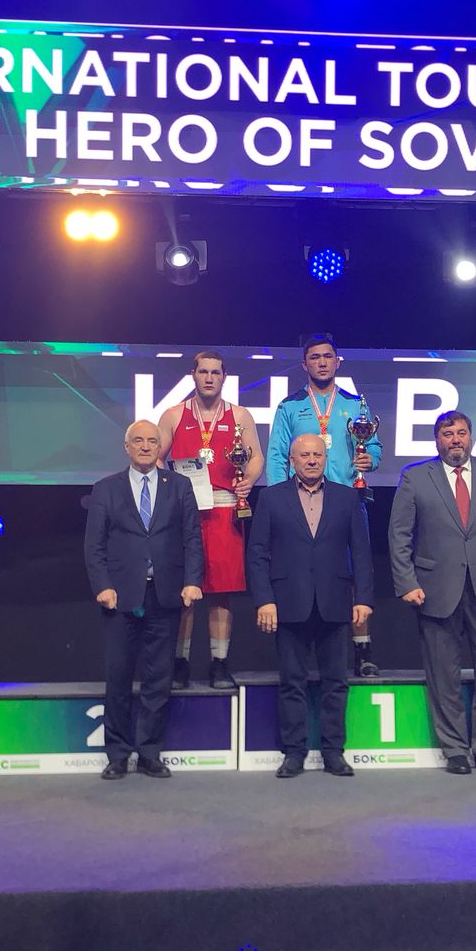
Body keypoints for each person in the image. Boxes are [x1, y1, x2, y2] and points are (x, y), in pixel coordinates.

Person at [388, 410, 476, 775]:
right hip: (434, 592)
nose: (455, 440)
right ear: (437, 440)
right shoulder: (415, 476)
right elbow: (399, 535)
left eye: (461, 433)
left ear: (471, 437)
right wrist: (407, 582)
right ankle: (455, 750)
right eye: (448, 434)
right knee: (443, 675)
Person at [247, 433, 374, 778]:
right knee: (292, 682)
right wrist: (264, 600)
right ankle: (294, 753)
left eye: (317, 454)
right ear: (292, 461)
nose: (312, 460)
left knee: (336, 682)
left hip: (335, 602)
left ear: (325, 458)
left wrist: (363, 598)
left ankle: (334, 752)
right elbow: (257, 554)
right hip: (288, 603)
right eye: (304, 455)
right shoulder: (271, 498)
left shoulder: (347, 497)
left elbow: (361, 552)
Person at [84, 420, 204, 780]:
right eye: (138, 440)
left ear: (160, 447)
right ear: (127, 447)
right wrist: (102, 585)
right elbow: (94, 545)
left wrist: (192, 581)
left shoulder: (179, 486)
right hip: (120, 597)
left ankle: (150, 753)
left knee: (158, 679)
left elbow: (192, 538)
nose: (146, 446)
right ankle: (118, 755)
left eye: (152, 441)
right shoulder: (106, 489)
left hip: (165, 595)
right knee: (119, 678)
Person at [265, 333, 383, 676]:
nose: (321, 362)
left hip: (347, 501)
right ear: (304, 364)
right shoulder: (289, 406)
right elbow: (277, 455)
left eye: (327, 356)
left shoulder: (355, 404)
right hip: (301, 504)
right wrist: (278, 501)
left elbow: (374, 447)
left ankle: (362, 649)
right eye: (314, 357)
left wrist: (370, 460)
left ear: (337, 362)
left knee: (355, 571)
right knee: (302, 572)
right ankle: (300, 647)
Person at [158, 350, 263, 691]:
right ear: (193, 374)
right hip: (185, 514)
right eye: (203, 371)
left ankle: (220, 663)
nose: (209, 378)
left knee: (221, 593)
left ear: (224, 377)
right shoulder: (174, 414)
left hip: (224, 509)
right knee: (186, 591)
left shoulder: (240, 415)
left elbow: (256, 457)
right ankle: (180, 663)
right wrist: (169, 488)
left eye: (215, 372)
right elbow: (157, 458)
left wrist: (248, 480)